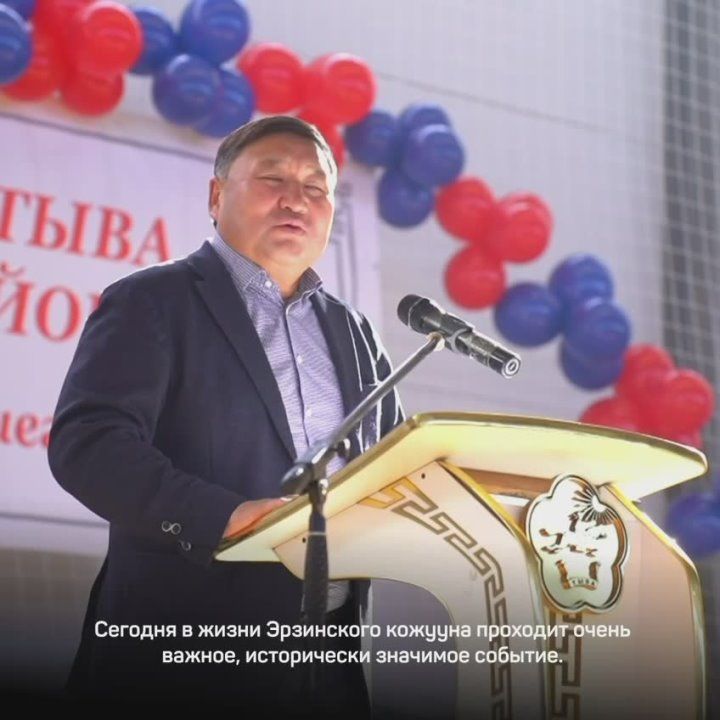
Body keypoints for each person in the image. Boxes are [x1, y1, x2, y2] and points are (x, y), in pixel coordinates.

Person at [47, 115, 404, 714]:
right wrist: (225, 516)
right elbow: (89, 444)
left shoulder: (354, 332)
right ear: (216, 197)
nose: (296, 200)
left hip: (328, 663)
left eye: (316, 188)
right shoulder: (153, 301)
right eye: (273, 179)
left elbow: (392, 464)